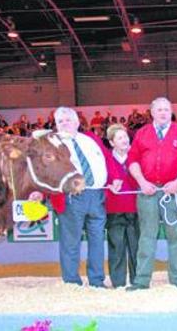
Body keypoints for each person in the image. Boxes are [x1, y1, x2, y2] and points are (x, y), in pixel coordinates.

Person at [126, 97, 177, 291]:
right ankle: (141, 281)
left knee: (176, 235)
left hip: (176, 191)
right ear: (152, 112)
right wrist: (141, 181)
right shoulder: (142, 133)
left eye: (166, 109)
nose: (163, 112)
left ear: (171, 111)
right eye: (159, 110)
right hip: (148, 190)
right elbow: (132, 159)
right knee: (147, 235)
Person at [54, 107, 109, 288]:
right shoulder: (53, 144)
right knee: (71, 241)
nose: (64, 124)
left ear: (77, 122)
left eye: (68, 120)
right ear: (55, 125)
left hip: (97, 194)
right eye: (60, 121)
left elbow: (106, 159)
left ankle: (97, 280)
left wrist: (115, 179)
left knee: (98, 240)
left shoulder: (90, 140)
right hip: (72, 196)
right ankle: (71, 282)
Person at [104, 124, 140, 288]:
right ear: (112, 142)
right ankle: (118, 282)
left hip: (136, 209)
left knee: (136, 247)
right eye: (120, 137)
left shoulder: (136, 156)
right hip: (114, 209)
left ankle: (137, 280)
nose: (124, 140)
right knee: (116, 246)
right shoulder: (106, 159)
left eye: (125, 136)